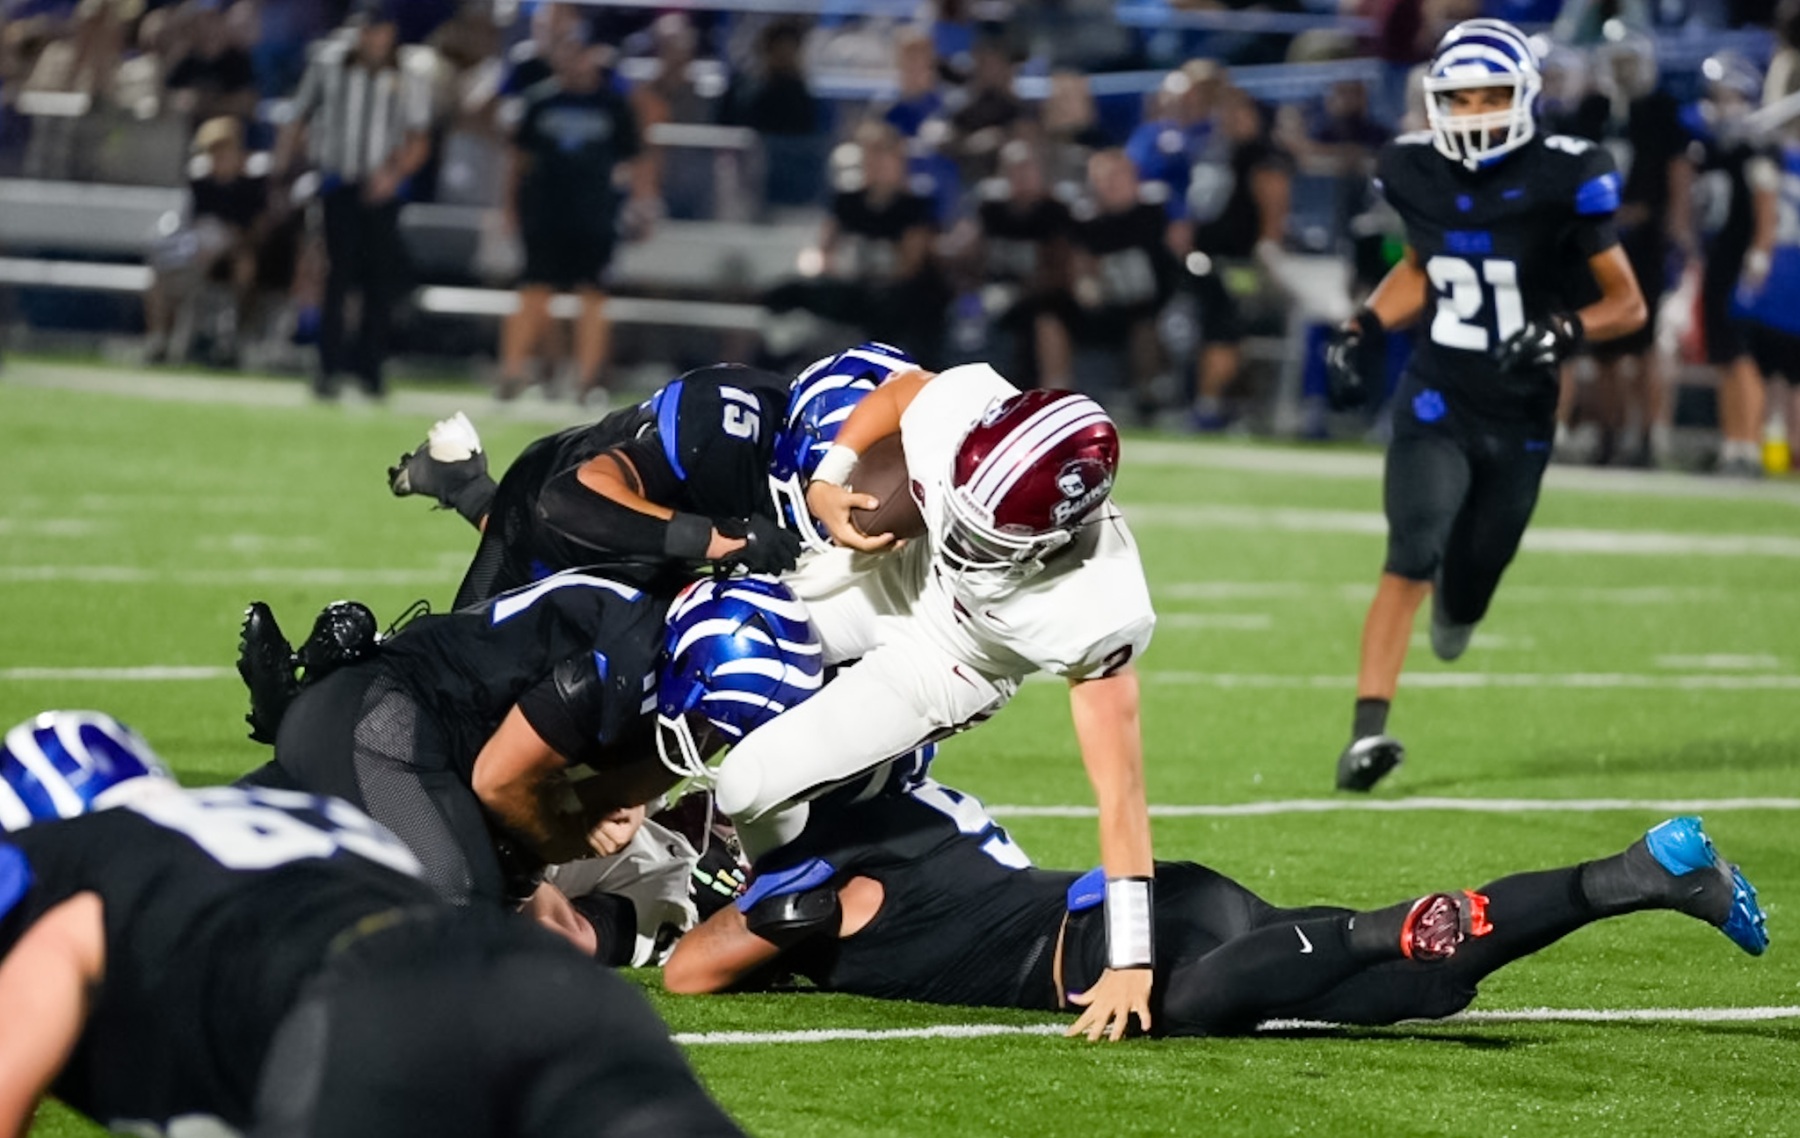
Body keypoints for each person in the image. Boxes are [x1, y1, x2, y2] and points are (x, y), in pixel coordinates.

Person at [674, 366, 1159, 1043]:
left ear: (1058, 537)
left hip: (950, 664)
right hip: (898, 567)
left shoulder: (1098, 607)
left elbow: (1122, 793)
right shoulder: (965, 418)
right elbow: (904, 393)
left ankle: (791, 886)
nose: (963, 540)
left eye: (987, 540)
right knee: (719, 627)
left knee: (748, 785)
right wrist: (831, 475)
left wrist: (1131, 957)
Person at [0, 711, 747, 1138]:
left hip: (366, 1022)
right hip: (542, 982)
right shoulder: (276, 815)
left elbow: (62, 949)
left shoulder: (62, 864)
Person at [662, 773, 1768, 1038]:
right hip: (1164, 898)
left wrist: (740, 895)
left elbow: (689, 971)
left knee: (1179, 1006)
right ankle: (1637, 873)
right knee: (1423, 991)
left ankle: (1377, 929)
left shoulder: (815, 875)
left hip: (1103, 945)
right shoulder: (907, 811)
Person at [1324, 19, 1647, 792]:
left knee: (1469, 584)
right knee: (1412, 549)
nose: (1473, 113)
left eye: (1491, 96)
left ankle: (1461, 604)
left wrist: (1562, 330)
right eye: (1460, 98)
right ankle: (1366, 737)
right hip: (1437, 394)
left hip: (1522, 411)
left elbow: (1628, 304)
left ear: (1526, 97)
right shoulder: (1412, 167)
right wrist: (1364, 325)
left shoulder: (1565, 174)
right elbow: (1423, 267)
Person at [233, 569, 685, 948]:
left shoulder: (673, 875)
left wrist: (575, 825)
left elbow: (573, 932)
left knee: (476, 898)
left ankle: (309, 698)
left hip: (417, 754)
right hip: (424, 747)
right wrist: (579, 825)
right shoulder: (642, 701)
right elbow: (504, 784)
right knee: (465, 914)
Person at [387, 363, 800, 608]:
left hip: (641, 538)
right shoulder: (719, 436)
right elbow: (570, 502)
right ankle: (462, 483)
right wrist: (723, 539)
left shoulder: (789, 427)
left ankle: (461, 481)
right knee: (472, 679)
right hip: (550, 499)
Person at [275, 0, 433, 400]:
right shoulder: (328, 63)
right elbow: (298, 117)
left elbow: (419, 137)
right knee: (336, 275)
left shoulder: (409, 73)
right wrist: (287, 169)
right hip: (337, 182)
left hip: (383, 188)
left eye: (377, 29)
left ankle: (370, 369)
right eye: (364, 30)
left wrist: (393, 175)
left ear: (390, 33)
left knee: (379, 278)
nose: (370, 38)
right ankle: (327, 368)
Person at [498, 16, 648, 404]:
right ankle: (511, 374)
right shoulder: (539, 101)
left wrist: (641, 204)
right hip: (544, 212)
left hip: (594, 214)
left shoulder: (613, 105)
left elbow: (634, 159)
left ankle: (587, 381)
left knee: (593, 296)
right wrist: (509, 208)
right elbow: (518, 161)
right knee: (533, 291)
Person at [1685, 51, 1781, 478]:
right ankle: (1732, 444)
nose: (1719, 103)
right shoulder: (1711, 148)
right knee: (1724, 355)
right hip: (1718, 257)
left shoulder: (1756, 147)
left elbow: (1766, 207)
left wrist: (1759, 255)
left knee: (1742, 355)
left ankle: (1748, 445)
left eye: (1727, 95)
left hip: (1743, 260)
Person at [144, 115, 269, 367]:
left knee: (244, 267)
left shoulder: (250, 188)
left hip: (230, 257)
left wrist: (227, 243)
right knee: (158, 279)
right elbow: (185, 227)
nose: (220, 158)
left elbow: (254, 231)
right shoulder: (199, 186)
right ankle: (159, 341)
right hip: (195, 255)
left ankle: (232, 341)